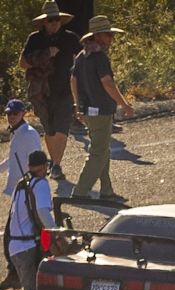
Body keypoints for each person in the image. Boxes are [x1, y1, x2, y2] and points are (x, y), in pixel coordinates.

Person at [70, 15, 134, 201]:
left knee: (102, 149)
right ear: (97, 36)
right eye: (108, 35)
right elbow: (107, 83)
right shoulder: (99, 57)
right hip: (101, 111)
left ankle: (106, 190)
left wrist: (77, 104)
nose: (111, 39)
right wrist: (125, 104)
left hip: (89, 110)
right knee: (98, 152)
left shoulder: (83, 55)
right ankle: (80, 192)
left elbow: (73, 80)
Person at [19, 0, 82, 180]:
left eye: (56, 19)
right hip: (40, 94)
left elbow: (82, 58)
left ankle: (56, 165)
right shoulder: (35, 39)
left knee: (62, 127)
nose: (54, 23)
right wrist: (46, 53)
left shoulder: (70, 37)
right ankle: (53, 162)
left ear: (61, 20)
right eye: (50, 20)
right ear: (44, 22)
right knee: (50, 130)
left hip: (65, 91)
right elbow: (22, 63)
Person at [6, 150, 54, 290]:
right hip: (27, 246)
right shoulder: (40, 184)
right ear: (43, 167)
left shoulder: (21, 185)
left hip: (15, 245)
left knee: (43, 289)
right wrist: (56, 234)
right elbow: (43, 213)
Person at [0, 100, 41, 290]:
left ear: (23, 113)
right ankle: (16, 273)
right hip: (18, 190)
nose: (11, 116)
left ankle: (18, 274)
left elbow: (36, 160)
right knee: (15, 233)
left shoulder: (29, 135)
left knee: (13, 234)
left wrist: (31, 186)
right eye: (9, 113)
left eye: (15, 113)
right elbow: (12, 158)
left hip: (26, 191)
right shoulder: (17, 133)